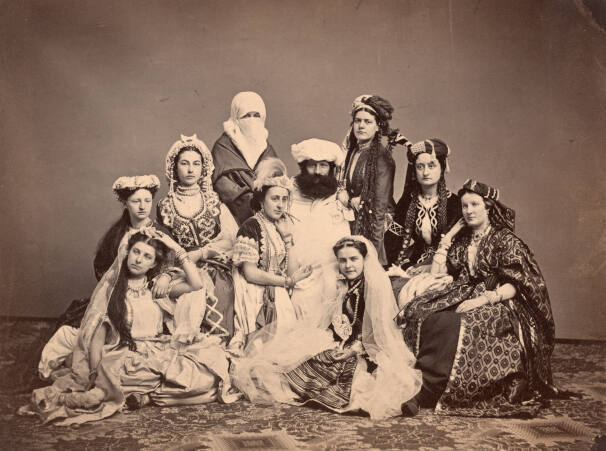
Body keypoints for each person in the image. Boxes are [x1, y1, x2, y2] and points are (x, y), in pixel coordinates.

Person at [23, 230, 234, 425]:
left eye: (147, 256)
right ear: (127, 253)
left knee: (208, 377)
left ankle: (144, 396)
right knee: (115, 384)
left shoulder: (156, 288)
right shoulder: (112, 290)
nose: (139, 260)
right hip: (126, 355)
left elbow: (196, 284)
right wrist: (96, 373)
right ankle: (138, 393)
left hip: (159, 351)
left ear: (153, 264)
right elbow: (97, 337)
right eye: (136, 252)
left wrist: (174, 248)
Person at [396, 180, 559, 417]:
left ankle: (427, 393)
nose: (469, 211)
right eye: (464, 206)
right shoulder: (463, 239)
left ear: (488, 207)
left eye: (475, 205)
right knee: (424, 314)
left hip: (502, 302)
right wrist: (450, 236)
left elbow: (517, 284)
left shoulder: (505, 240)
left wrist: (483, 300)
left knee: (454, 323)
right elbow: (438, 273)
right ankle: (419, 382)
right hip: (465, 291)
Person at [230, 236, 421, 420]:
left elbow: (378, 331)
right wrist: (334, 339)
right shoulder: (344, 285)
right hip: (343, 342)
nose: (348, 265)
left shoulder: (374, 287)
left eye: (354, 259)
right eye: (343, 260)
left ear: (364, 259)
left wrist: (354, 349)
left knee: (345, 376)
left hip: (367, 350)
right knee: (300, 361)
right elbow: (336, 321)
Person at [38, 175, 163, 380]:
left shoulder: (161, 234)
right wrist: (115, 282)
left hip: (147, 297)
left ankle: (92, 363)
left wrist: (159, 280)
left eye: (147, 201)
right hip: (115, 292)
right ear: (125, 203)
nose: (142, 207)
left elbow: (169, 267)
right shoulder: (118, 234)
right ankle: (61, 366)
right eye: (136, 201)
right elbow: (102, 266)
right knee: (77, 331)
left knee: (114, 334)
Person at [156, 134, 238, 339]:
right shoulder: (164, 207)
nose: (191, 169)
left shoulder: (214, 201)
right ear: (174, 168)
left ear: (203, 168)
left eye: (196, 164)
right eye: (184, 163)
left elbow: (231, 239)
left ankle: (219, 346)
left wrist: (202, 253)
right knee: (165, 297)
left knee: (220, 291)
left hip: (217, 266)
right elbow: (163, 249)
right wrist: (169, 273)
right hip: (180, 270)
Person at [229, 158, 313, 352]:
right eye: (275, 199)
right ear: (261, 200)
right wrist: (287, 282)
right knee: (263, 351)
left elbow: (291, 271)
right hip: (255, 295)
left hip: (279, 294)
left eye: (284, 199)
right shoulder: (250, 226)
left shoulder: (283, 225)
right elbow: (250, 274)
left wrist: (287, 239)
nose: (280, 205)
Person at [289, 138, 351, 327]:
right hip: (296, 273)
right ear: (303, 167)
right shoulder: (288, 193)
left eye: (323, 165)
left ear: (331, 168)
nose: (317, 171)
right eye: (312, 165)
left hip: (329, 274)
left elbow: (343, 240)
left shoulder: (338, 197)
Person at [338, 95, 405, 265]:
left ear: (377, 127)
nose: (361, 126)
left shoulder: (382, 158)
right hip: (355, 217)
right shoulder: (354, 151)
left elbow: (379, 207)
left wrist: (373, 253)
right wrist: (343, 193)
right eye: (357, 121)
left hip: (378, 226)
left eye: (367, 122)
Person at [385, 138, 461, 271]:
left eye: (431, 166)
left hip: (446, 264)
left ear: (442, 168)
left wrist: (434, 266)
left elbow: (461, 245)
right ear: (414, 171)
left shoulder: (454, 203)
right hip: (414, 261)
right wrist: (405, 266)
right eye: (420, 167)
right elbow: (393, 241)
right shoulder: (407, 202)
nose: (425, 172)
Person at [211, 91, 279, 225]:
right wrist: (252, 202)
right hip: (232, 215)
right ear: (236, 118)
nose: (252, 120)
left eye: (256, 115)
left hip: (268, 214)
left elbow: (279, 182)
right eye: (246, 116)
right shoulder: (222, 147)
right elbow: (222, 184)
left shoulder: (267, 149)